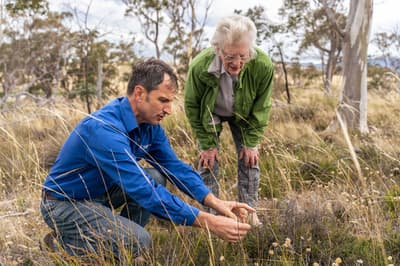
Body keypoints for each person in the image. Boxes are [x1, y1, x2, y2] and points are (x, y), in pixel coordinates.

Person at [40, 58, 255, 260]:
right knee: (139, 239)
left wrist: (215, 202)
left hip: (100, 193)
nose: (169, 110)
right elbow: (143, 189)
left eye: (171, 102)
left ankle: (121, 246)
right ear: (140, 93)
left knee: (156, 176)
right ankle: (61, 245)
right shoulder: (104, 130)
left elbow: (175, 168)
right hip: (65, 203)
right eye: (163, 100)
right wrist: (208, 222)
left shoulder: (150, 127)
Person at [184, 15, 274, 225]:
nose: (236, 63)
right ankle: (213, 217)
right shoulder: (200, 66)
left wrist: (251, 143)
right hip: (210, 114)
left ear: (250, 49)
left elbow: (262, 107)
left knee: (249, 160)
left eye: (242, 56)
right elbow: (192, 105)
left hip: (244, 114)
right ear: (218, 49)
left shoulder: (262, 65)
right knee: (208, 161)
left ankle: (248, 214)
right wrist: (207, 144)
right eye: (230, 56)